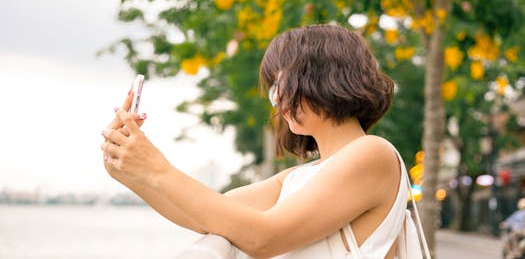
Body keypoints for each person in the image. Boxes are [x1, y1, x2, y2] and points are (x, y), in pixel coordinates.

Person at [100, 24, 425, 258]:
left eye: (283, 82)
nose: (278, 98)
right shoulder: (300, 177)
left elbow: (264, 238)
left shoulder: (373, 153)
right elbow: (204, 215)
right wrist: (131, 171)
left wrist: (155, 167)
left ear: (322, 76)